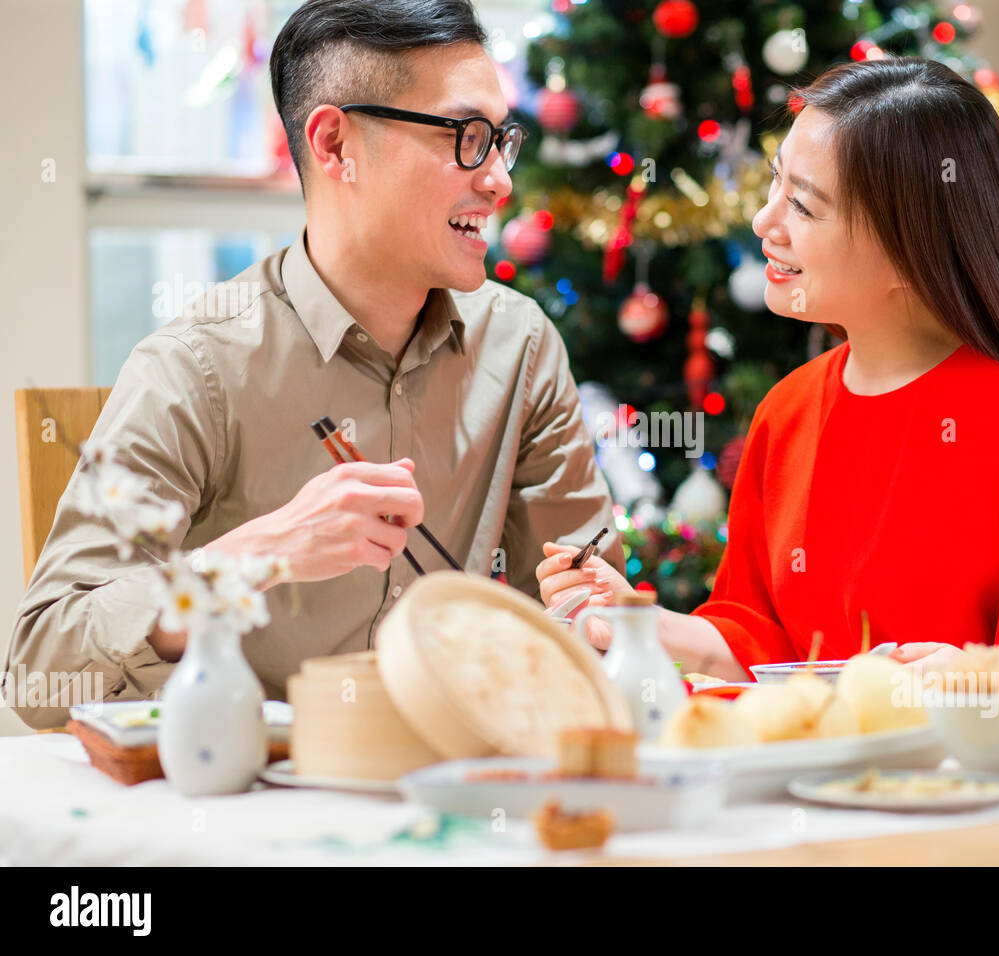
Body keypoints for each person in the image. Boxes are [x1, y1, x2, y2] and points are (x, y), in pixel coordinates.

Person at [6, 0, 620, 730]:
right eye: (466, 137)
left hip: (462, 793)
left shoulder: (519, 346)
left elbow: (579, 605)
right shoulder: (195, 365)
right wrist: (252, 558)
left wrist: (603, 616)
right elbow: (38, 668)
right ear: (334, 145)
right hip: (253, 810)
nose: (498, 181)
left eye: (503, 141)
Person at [537, 58, 999, 682]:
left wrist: (990, 678)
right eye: (774, 185)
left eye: (804, 207)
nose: (764, 222)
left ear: (909, 246)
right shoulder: (785, 413)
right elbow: (765, 642)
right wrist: (639, 619)